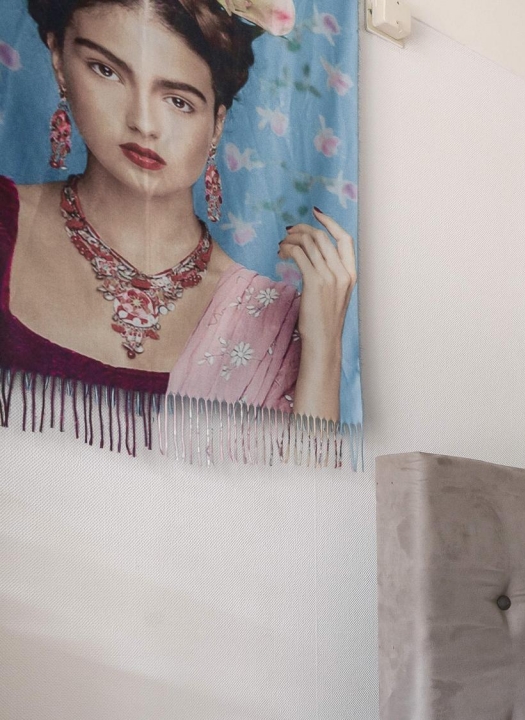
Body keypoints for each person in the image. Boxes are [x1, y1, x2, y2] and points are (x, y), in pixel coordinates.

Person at [1, 0, 354, 419]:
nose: (144, 122)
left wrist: (325, 347)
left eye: (178, 101)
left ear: (217, 124)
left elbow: (306, 465)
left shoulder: (265, 316)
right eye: (107, 71)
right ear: (59, 60)